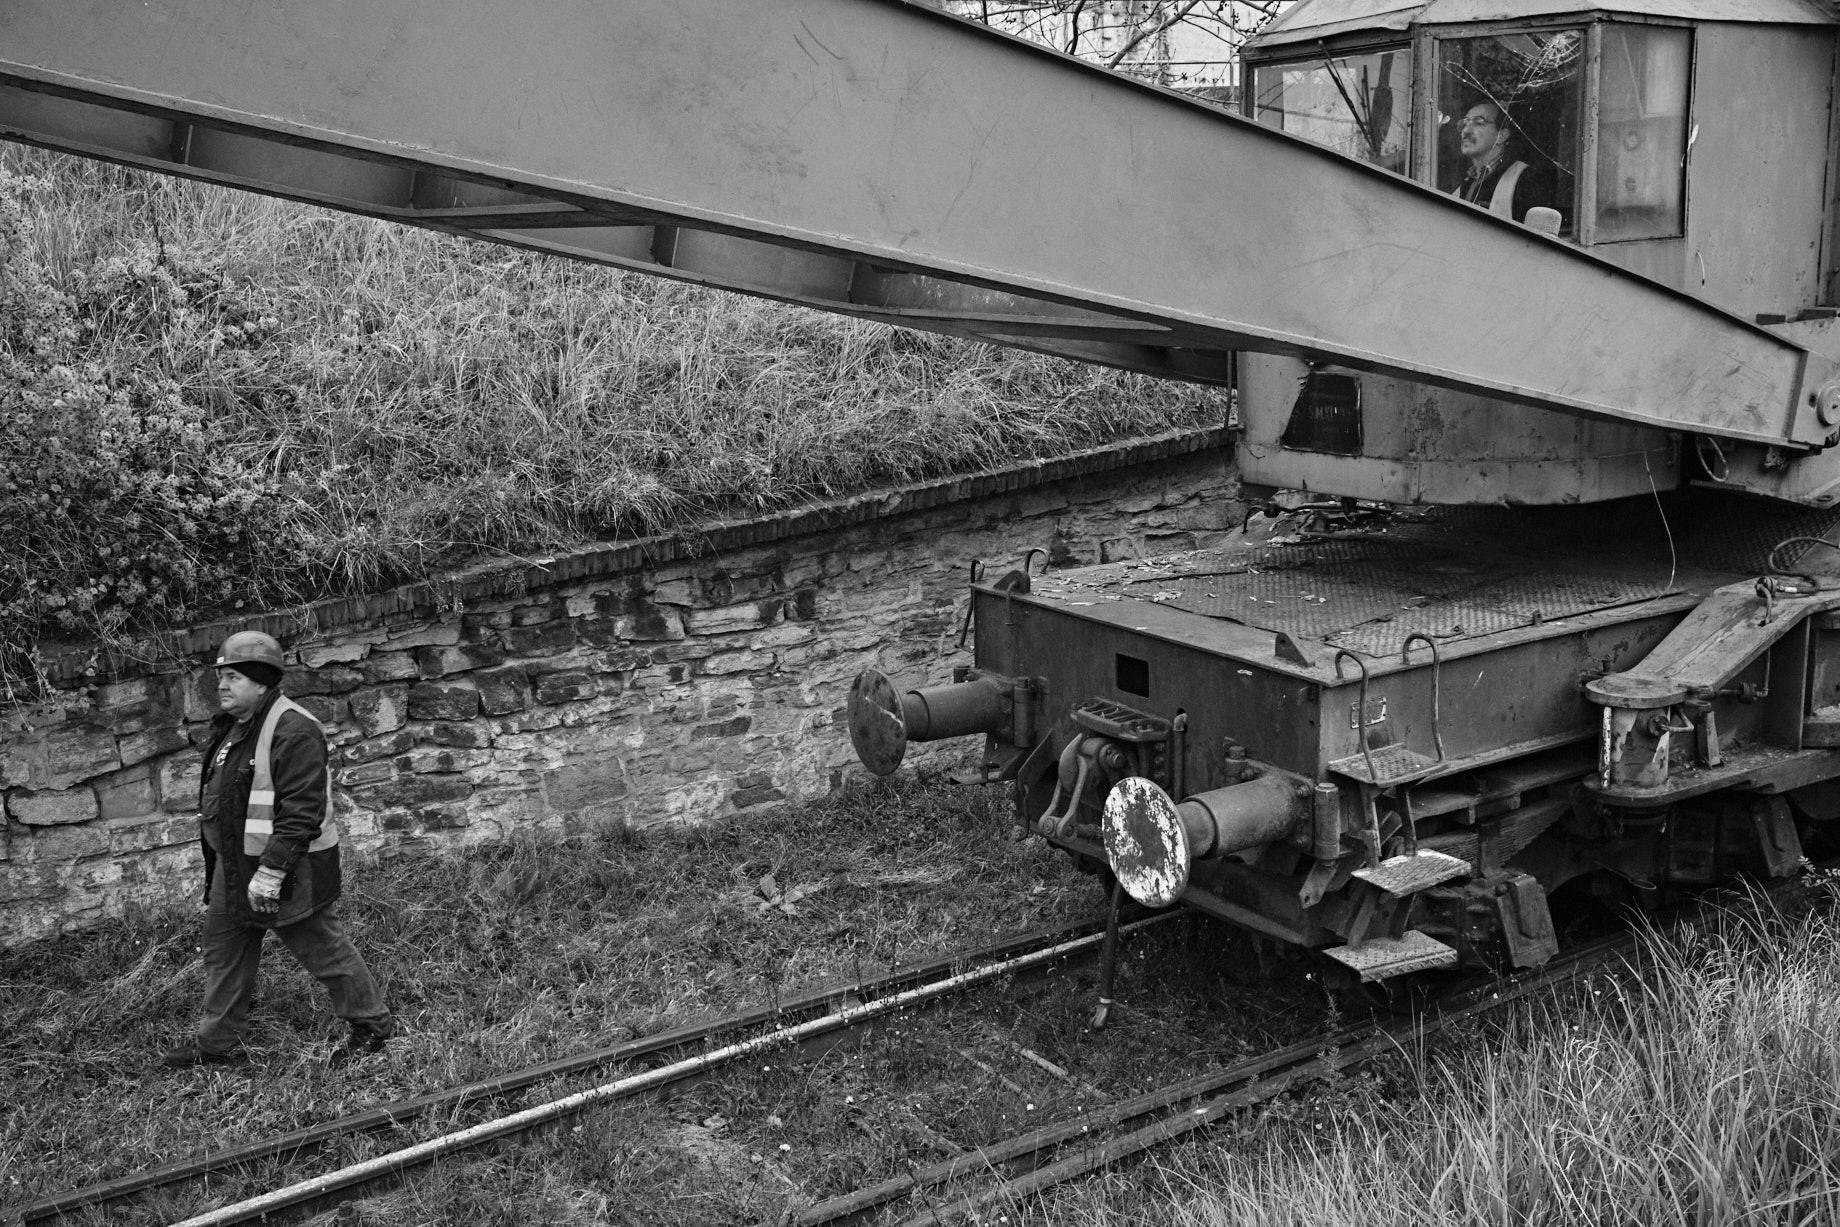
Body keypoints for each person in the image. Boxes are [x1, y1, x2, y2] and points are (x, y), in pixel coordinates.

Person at [160, 630, 394, 1067]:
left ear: (262, 682)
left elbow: (302, 810)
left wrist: (270, 874)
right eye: (221, 677)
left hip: (288, 871)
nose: (222, 686)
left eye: (233, 677)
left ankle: (372, 1025)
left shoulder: (294, 729)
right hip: (236, 866)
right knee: (223, 953)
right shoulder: (236, 727)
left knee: (322, 949)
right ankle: (218, 1045)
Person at [1451, 100, 1555, 224]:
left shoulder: (1525, 179)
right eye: (1464, 124)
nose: (1466, 131)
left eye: (1478, 123)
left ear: (1502, 136)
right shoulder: (1463, 183)